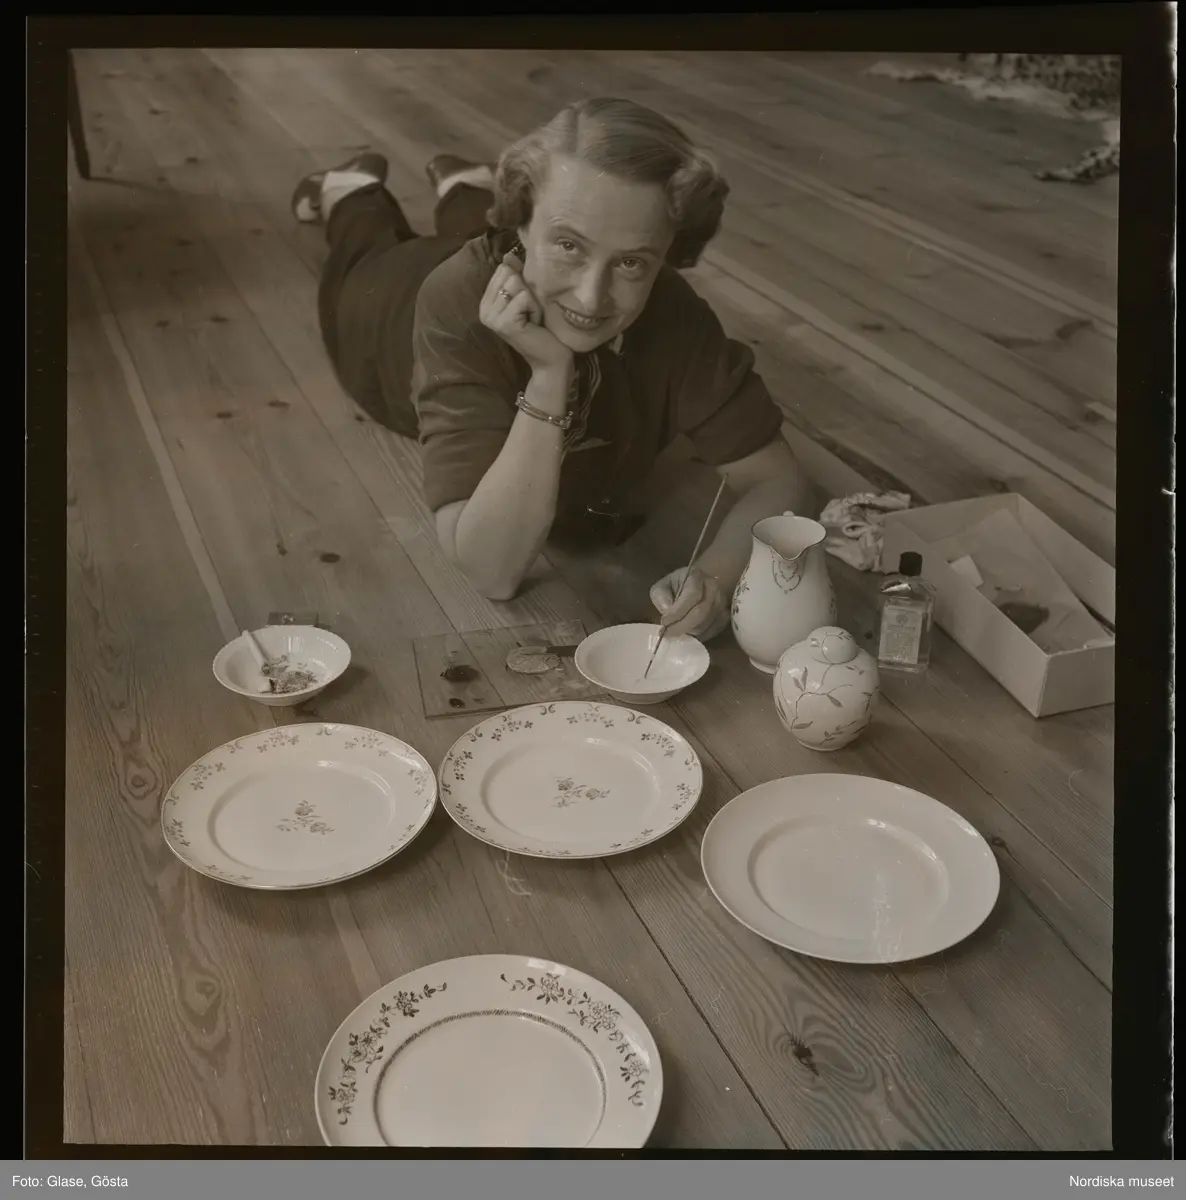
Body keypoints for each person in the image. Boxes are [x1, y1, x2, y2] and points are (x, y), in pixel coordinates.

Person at [293, 97, 815, 641]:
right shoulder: (452, 302)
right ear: (520, 224)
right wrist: (549, 377)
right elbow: (492, 572)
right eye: (570, 245)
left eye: (631, 262)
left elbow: (779, 478)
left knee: (539, 250)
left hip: (525, 266)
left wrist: (716, 578)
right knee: (364, 251)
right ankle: (350, 189)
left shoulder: (671, 308)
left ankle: (467, 189)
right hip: (395, 303)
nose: (591, 298)